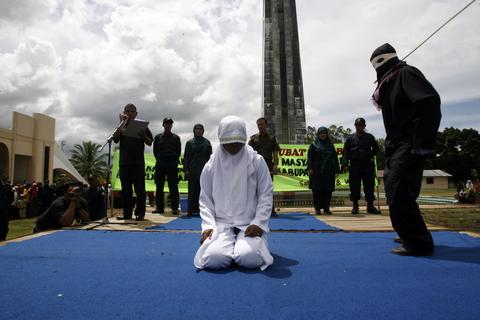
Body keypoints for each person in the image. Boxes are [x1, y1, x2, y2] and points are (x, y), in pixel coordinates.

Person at [370, 43, 441, 256]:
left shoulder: (406, 74)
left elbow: (430, 101)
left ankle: (418, 242)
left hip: (409, 143)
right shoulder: (390, 80)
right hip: (395, 144)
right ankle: (408, 231)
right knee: (398, 189)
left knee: (399, 188)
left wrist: (420, 142)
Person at [194, 115, 274, 270]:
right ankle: (229, 248)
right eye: (228, 142)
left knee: (248, 258)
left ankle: (247, 245)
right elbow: (205, 200)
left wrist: (259, 223)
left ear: (244, 139)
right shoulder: (210, 166)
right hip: (221, 223)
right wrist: (208, 226)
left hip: (250, 224)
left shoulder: (256, 161)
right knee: (213, 259)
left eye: (238, 142)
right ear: (221, 140)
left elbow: (265, 193)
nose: (233, 146)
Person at [112, 103, 153, 221]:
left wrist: (143, 135)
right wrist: (120, 129)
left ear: (136, 114)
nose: (129, 113)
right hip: (124, 163)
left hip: (138, 163)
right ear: (124, 112)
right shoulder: (121, 125)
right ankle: (127, 214)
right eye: (127, 111)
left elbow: (150, 142)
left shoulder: (142, 126)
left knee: (140, 190)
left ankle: (140, 213)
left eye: (132, 111)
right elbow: (114, 139)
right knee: (126, 191)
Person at [342, 117, 381, 215]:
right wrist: (345, 164)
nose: (358, 127)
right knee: (354, 186)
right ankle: (355, 206)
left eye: (360, 125)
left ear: (364, 126)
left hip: (367, 164)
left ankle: (370, 206)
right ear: (355, 126)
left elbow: (376, 149)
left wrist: (370, 154)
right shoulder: (350, 138)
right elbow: (345, 152)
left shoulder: (370, 137)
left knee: (369, 185)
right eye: (357, 125)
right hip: (355, 165)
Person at [248, 117, 280, 216]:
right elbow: (248, 152)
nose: (260, 126)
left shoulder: (272, 138)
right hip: (255, 167)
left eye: (262, 124)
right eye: (259, 124)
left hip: (268, 166)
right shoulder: (253, 139)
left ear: (266, 125)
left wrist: (275, 165)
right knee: (255, 189)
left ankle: (270, 210)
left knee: (268, 188)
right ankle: (256, 211)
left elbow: (275, 153)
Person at [307, 127, 340, 215]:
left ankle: (326, 208)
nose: (323, 135)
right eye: (321, 133)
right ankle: (317, 209)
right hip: (316, 171)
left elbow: (335, 158)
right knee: (317, 191)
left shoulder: (330, 145)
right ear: (318, 134)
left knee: (327, 190)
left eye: (324, 133)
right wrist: (310, 168)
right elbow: (309, 158)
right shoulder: (313, 145)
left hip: (329, 171)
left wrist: (337, 169)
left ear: (327, 134)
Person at [153, 117, 181, 215]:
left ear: (172, 125)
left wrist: (173, 161)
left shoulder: (176, 138)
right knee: (159, 186)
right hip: (160, 162)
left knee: (173, 186)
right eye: (166, 123)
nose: (168, 125)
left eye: (170, 123)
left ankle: (175, 208)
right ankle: (159, 207)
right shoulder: (157, 137)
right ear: (163, 125)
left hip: (172, 163)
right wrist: (160, 159)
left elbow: (178, 151)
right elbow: (155, 152)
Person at [183, 124, 212, 216]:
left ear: (203, 131)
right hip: (192, 171)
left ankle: (202, 210)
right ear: (194, 130)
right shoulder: (189, 142)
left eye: (200, 129)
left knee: (202, 192)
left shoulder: (207, 143)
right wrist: (186, 170)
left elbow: (210, 158)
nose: (199, 131)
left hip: (203, 171)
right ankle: (190, 210)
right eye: (197, 129)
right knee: (192, 192)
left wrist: (209, 171)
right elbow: (186, 157)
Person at [0, 175, 14, 241]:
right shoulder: (7, 186)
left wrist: (7, 205)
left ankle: (3, 238)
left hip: (4, 208)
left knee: (4, 226)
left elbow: (11, 198)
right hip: (4, 208)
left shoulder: (8, 187)